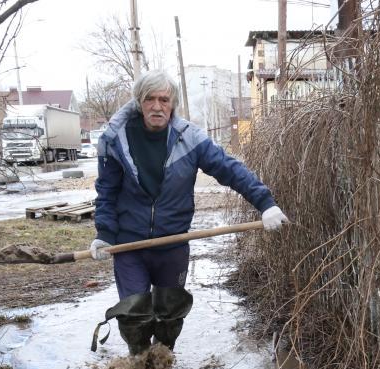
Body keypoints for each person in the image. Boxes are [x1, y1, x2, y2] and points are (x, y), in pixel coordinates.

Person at [90, 70, 287, 350]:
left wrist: (265, 203)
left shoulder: (190, 138)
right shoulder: (114, 141)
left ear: (173, 104)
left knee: (170, 315)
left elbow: (230, 170)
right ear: (138, 102)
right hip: (129, 245)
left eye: (164, 100)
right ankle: (140, 366)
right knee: (133, 315)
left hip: (173, 243)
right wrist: (105, 234)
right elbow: (107, 191)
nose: (157, 106)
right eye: (149, 99)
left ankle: (162, 363)